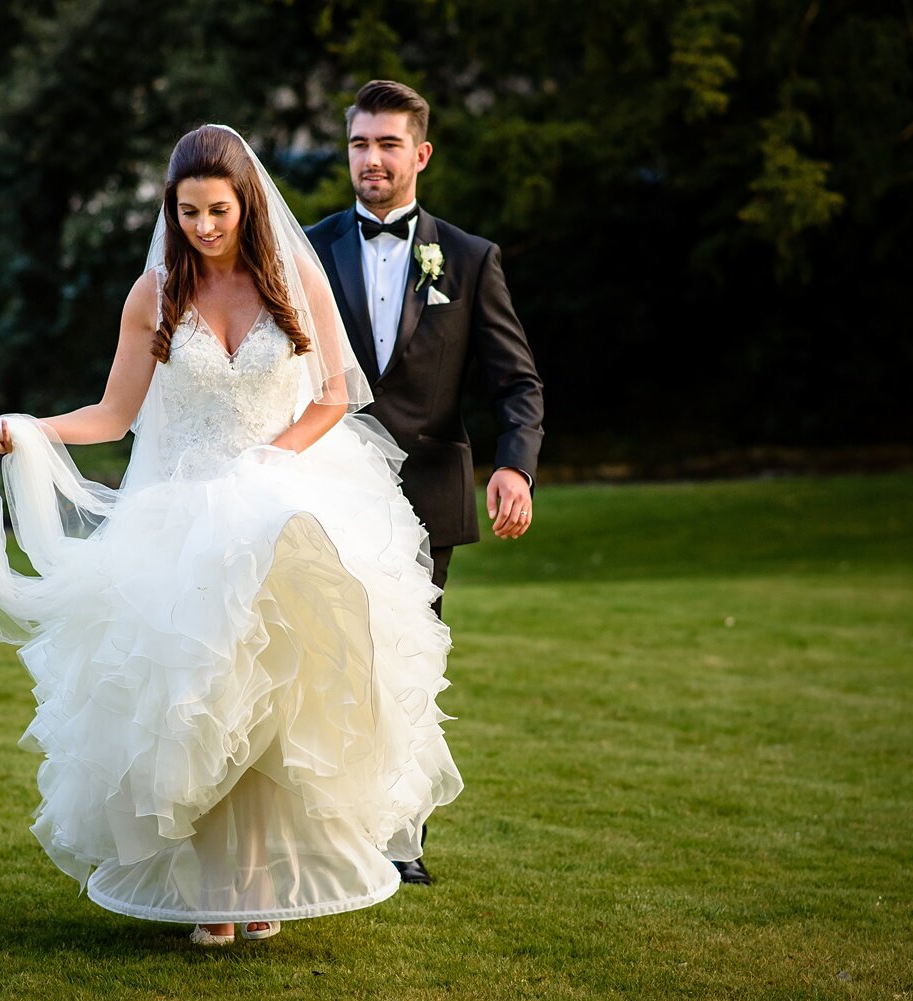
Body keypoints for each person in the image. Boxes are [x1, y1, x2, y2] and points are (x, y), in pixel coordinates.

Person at [0, 125, 462, 947]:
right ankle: (208, 897)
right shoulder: (153, 294)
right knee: (197, 700)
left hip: (276, 499)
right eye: (188, 213)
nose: (204, 228)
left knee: (271, 697)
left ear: (246, 203)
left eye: (218, 211)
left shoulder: (294, 281)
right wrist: (26, 427)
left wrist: (272, 458)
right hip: (177, 516)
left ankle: (258, 889)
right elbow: (114, 414)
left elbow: (333, 394)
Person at [305, 80, 545, 885]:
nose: (371, 160)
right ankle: (326, 830)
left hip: (427, 495)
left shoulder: (470, 259)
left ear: (421, 153)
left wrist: (515, 462)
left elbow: (517, 381)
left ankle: (400, 839)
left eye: (387, 144)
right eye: (359, 144)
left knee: (407, 663)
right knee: (326, 660)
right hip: (326, 493)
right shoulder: (305, 249)